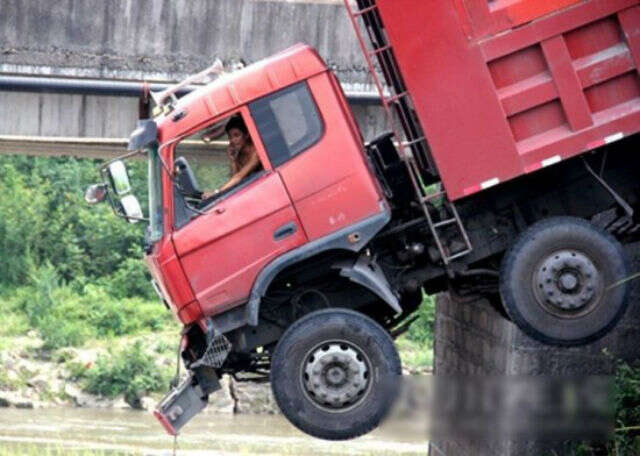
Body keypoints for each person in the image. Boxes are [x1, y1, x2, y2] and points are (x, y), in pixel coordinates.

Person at [201, 115, 262, 199]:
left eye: (237, 135)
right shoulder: (240, 154)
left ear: (246, 135)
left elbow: (239, 176)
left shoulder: (256, 152)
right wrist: (232, 160)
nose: (233, 140)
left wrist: (216, 193)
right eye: (230, 137)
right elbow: (235, 180)